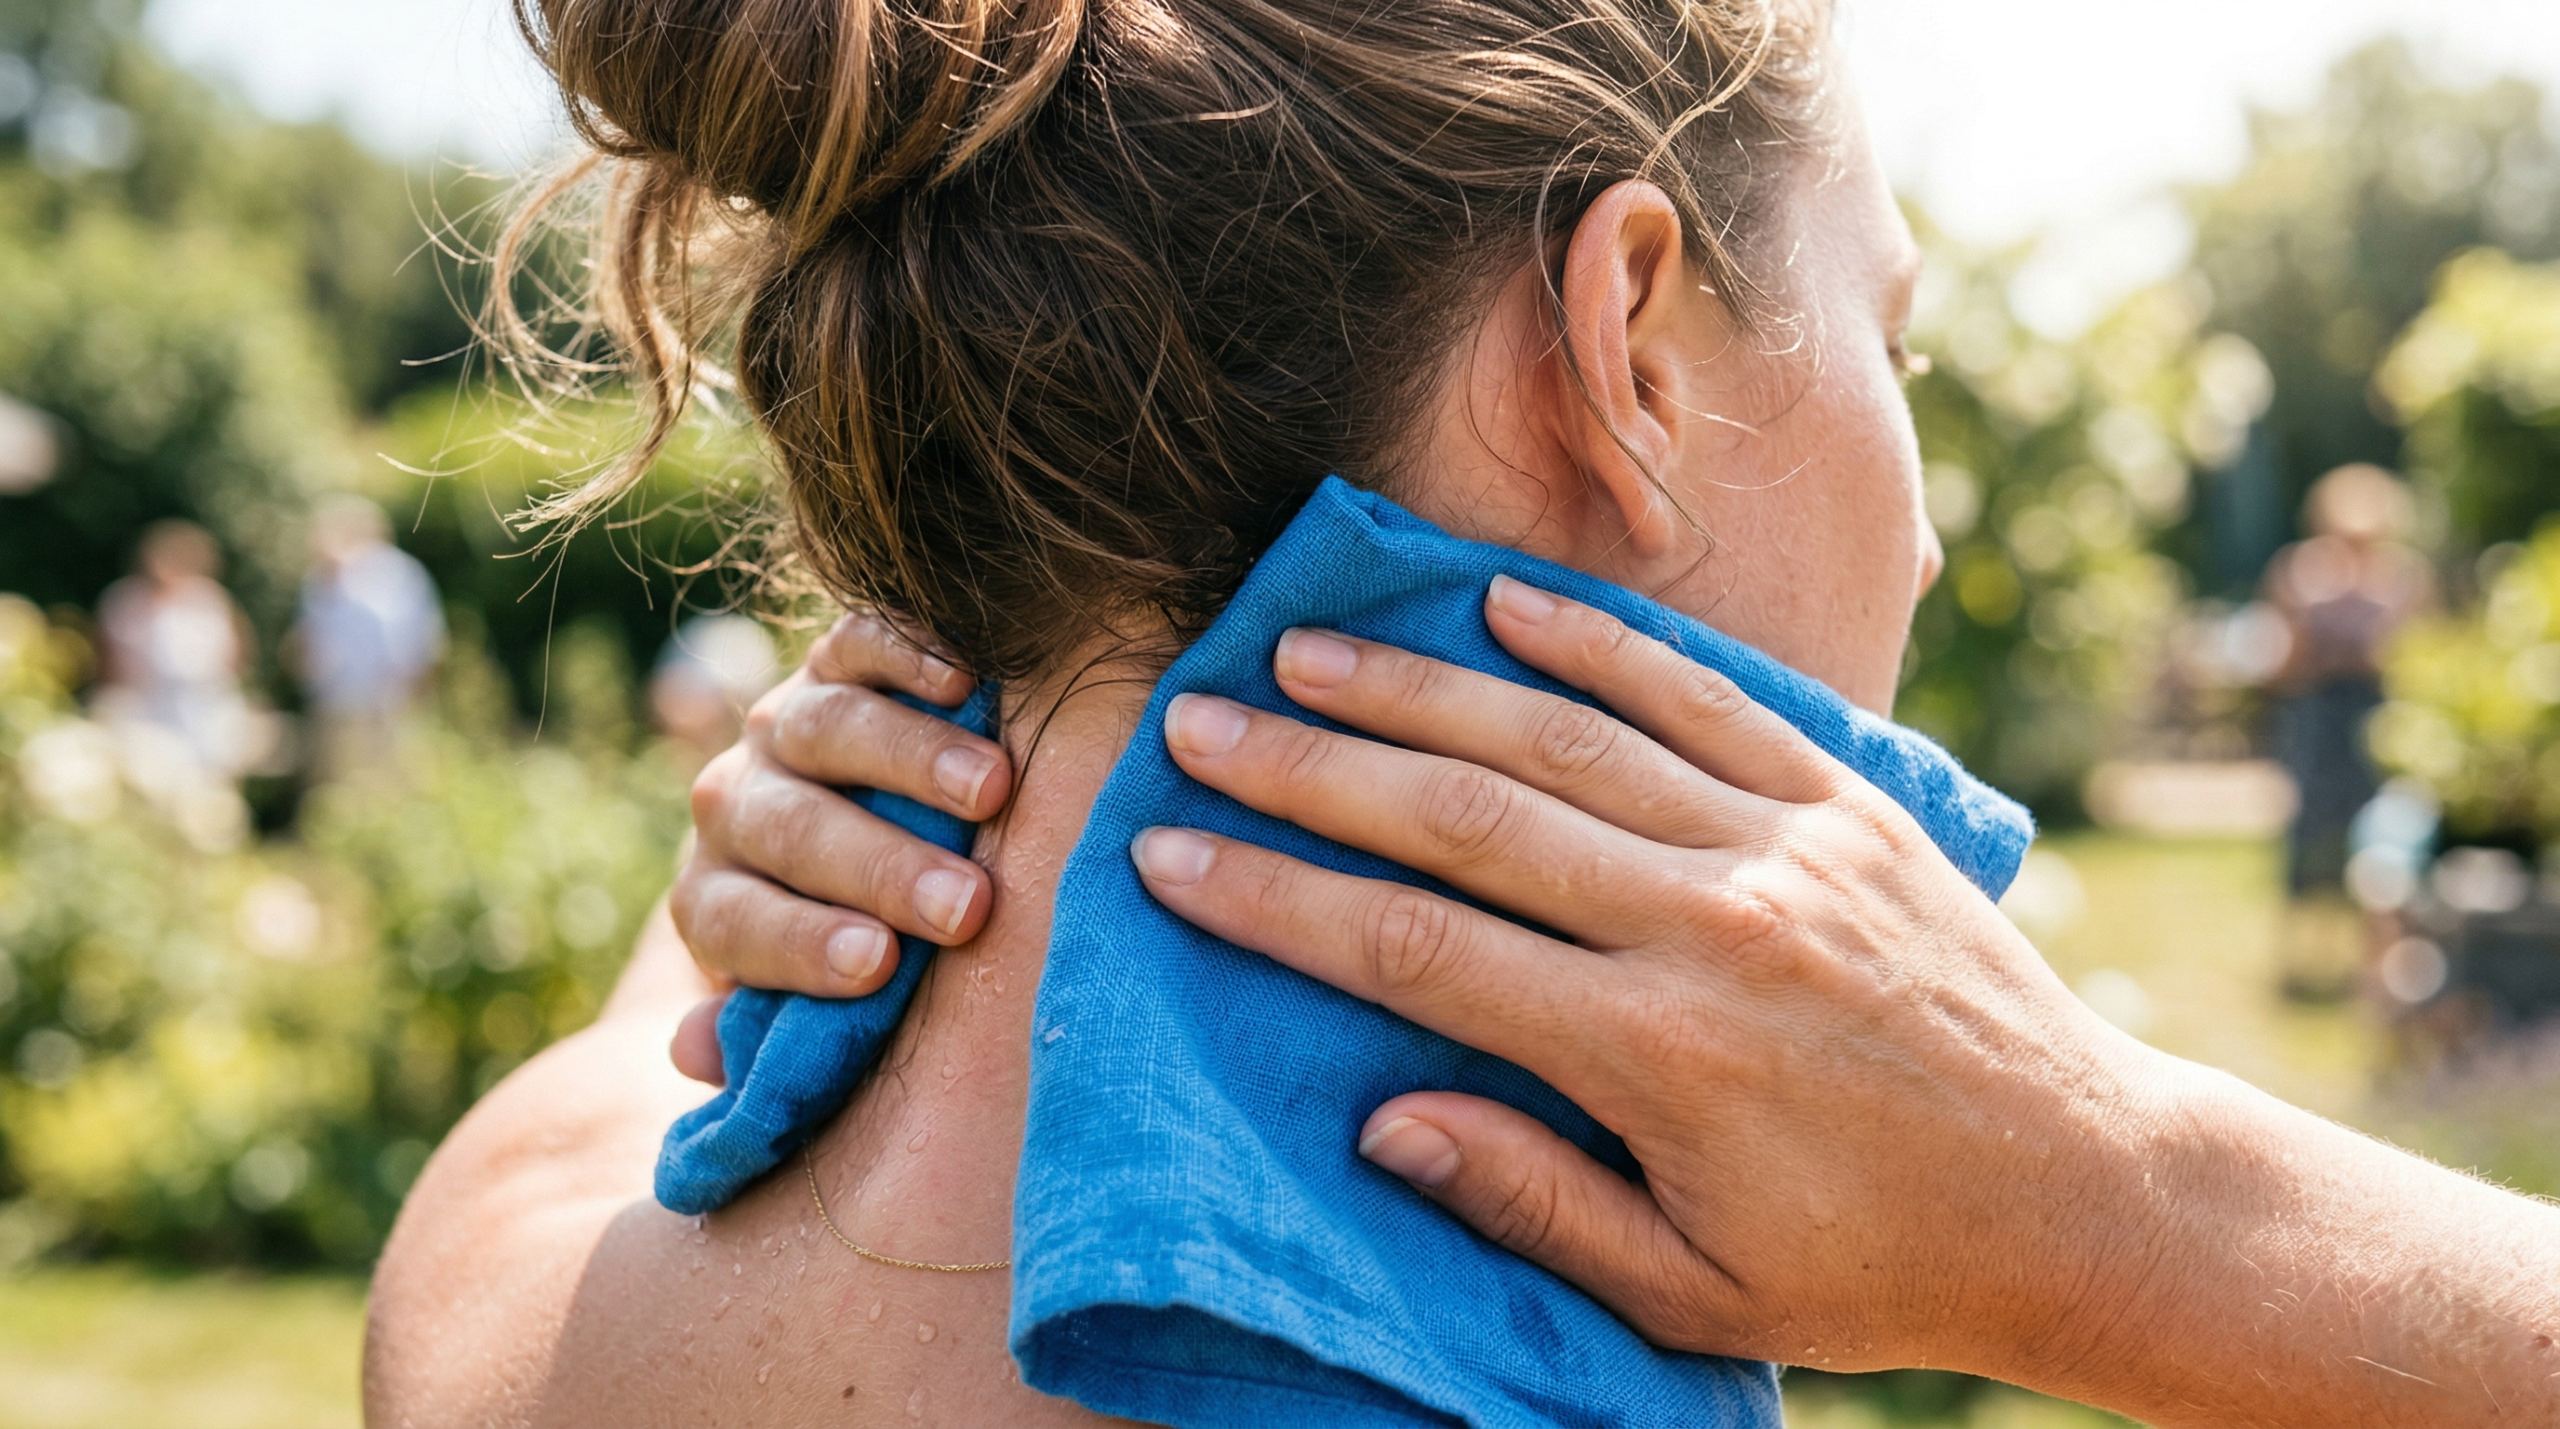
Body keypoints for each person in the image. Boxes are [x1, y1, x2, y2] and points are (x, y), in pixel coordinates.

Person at [360, 3, 2560, 1428]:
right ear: (1624, 342)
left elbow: (552, 1139)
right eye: (1890, 342)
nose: (1921, 543)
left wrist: (728, 865)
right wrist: (2123, 1209)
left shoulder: (498, 1313)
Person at [291, 495, 445, 774]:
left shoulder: (398, 572)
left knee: (387, 779)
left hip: (388, 700)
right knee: (341, 781)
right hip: (339, 700)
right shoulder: (320, 579)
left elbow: (418, 640)